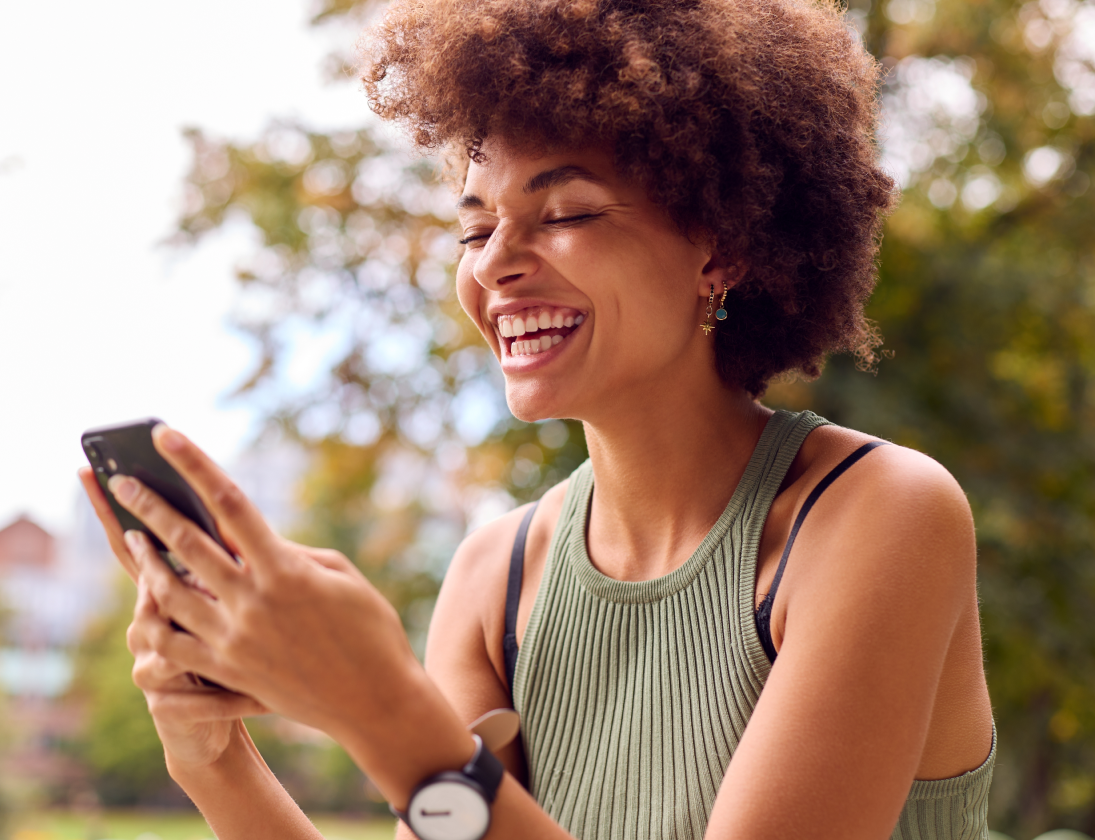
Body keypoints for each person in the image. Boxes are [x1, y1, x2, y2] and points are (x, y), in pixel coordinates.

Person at [78, 0, 996, 837]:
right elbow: (453, 816)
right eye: (476, 230)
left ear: (722, 248)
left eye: (562, 212)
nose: (495, 267)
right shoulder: (496, 580)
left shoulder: (879, 517)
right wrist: (217, 765)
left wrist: (380, 706)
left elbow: (430, 773)